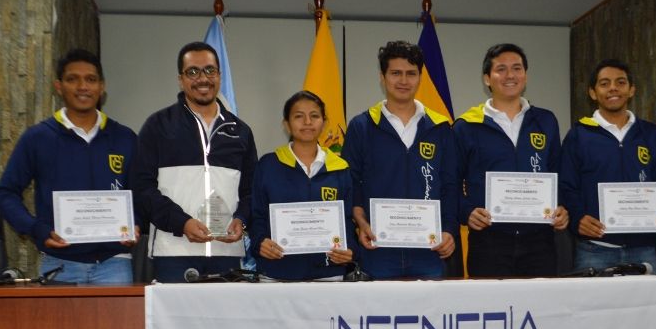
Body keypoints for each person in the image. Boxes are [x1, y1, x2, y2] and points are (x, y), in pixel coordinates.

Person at [0, 48, 138, 284]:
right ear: (59, 86)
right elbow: (6, 192)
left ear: (102, 87)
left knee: (116, 324)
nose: (83, 86)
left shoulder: (125, 138)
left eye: (90, 79)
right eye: (73, 79)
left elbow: (140, 191)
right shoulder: (37, 138)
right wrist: (36, 228)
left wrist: (137, 223)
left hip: (115, 264)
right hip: (58, 264)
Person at [131, 41, 257, 283]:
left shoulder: (240, 131)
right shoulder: (158, 126)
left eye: (210, 70)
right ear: (181, 79)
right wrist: (183, 222)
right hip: (174, 251)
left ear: (219, 76)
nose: (203, 79)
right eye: (193, 72)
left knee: (226, 321)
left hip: (227, 252)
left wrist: (241, 219)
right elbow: (142, 189)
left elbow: (252, 191)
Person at [341, 40, 458, 279]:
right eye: (395, 73)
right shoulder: (361, 126)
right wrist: (360, 223)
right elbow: (350, 184)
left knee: (430, 315)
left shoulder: (441, 128)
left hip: (429, 250)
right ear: (382, 77)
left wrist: (448, 231)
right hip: (377, 249)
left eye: (410, 74)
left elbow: (450, 186)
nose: (403, 81)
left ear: (420, 77)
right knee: (377, 315)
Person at [454, 43, 568, 277]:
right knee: (489, 309)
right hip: (488, 241)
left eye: (517, 68)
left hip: (540, 241)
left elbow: (559, 174)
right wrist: (467, 212)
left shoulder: (546, 121)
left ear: (525, 75)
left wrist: (563, 208)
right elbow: (449, 182)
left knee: (540, 311)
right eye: (501, 69)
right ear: (487, 78)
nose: (510, 75)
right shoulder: (466, 126)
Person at [560, 59, 656, 273]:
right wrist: (577, 218)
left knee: (648, 307)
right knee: (592, 307)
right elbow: (566, 186)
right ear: (593, 92)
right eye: (604, 83)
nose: (613, 88)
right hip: (594, 249)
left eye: (620, 82)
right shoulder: (578, 135)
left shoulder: (652, 134)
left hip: (645, 249)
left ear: (631, 90)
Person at [249, 91, 355, 280]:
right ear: (286, 124)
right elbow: (257, 215)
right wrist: (260, 243)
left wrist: (349, 251)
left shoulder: (340, 169)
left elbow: (348, 220)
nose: (307, 122)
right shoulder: (268, 165)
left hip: (328, 274)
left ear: (325, 122)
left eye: (314, 116)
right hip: (277, 273)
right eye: (299, 116)